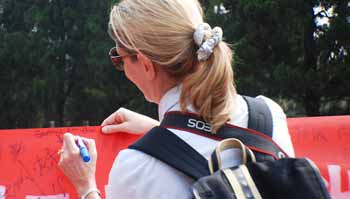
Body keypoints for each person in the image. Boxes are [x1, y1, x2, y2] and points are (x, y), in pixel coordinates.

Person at [58, 0, 295, 198]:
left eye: (119, 59)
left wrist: (86, 186)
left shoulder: (135, 169)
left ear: (146, 65)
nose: (121, 69)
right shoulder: (269, 116)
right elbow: (219, 148)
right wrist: (160, 132)